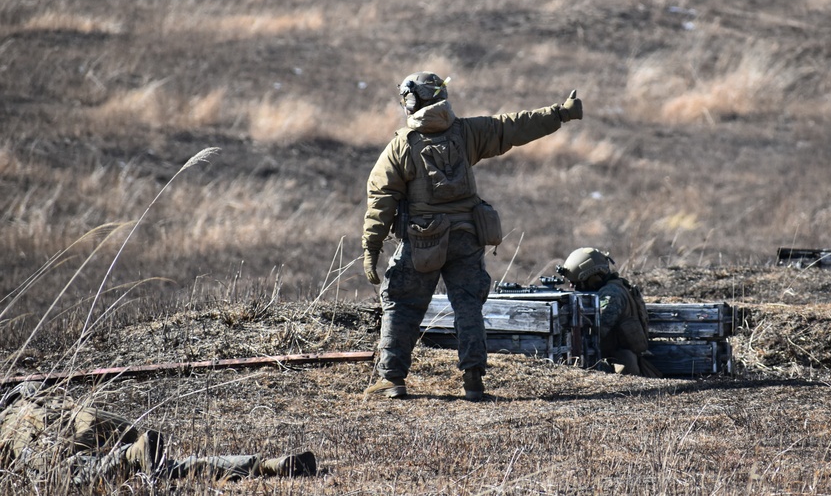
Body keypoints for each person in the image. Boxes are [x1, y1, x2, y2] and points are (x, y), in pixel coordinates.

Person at [362, 72, 583, 401]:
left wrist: (371, 248)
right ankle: (473, 382)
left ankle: (392, 380)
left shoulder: (400, 146)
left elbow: (381, 201)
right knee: (468, 308)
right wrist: (560, 113)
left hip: (421, 241)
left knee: (402, 305)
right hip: (467, 237)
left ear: (410, 102)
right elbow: (514, 126)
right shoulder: (468, 133)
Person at [0, 382, 316, 486]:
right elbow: (121, 425)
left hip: (74, 444)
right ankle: (268, 465)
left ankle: (132, 456)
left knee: (60, 471)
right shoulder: (66, 399)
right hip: (114, 430)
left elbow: (13, 458)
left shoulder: (13, 416)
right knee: (170, 468)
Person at [556, 247, 661, 378]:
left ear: (594, 277)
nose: (572, 286)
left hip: (621, 366)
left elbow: (597, 330)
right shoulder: (616, 287)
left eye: (577, 282)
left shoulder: (612, 294)